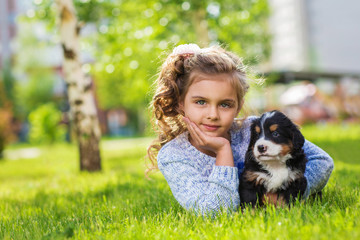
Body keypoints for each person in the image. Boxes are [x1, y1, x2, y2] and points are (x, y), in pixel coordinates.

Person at [147, 43, 334, 216]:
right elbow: (216, 211)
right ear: (181, 103)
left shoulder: (254, 130)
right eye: (201, 102)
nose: (213, 114)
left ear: (238, 106)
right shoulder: (175, 156)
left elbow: (322, 161)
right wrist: (222, 151)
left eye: (225, 104)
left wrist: (291, 195)